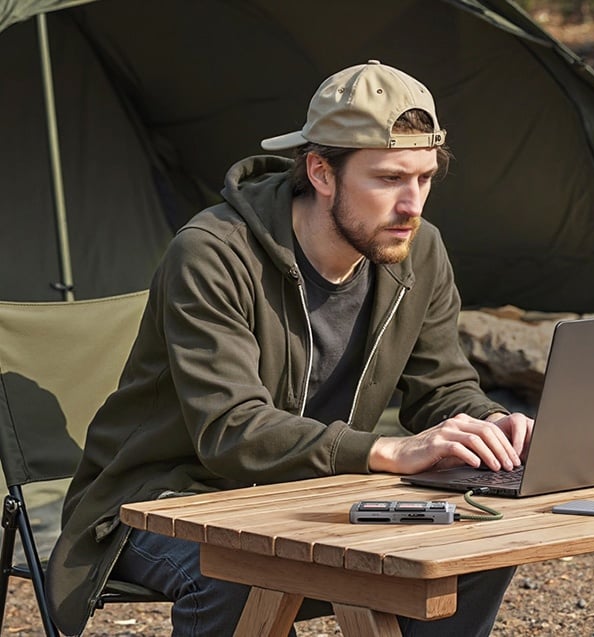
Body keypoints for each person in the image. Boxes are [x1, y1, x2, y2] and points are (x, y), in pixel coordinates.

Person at [45, 60, 534, 637]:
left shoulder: (418, 251)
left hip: (306, 494)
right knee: (242, 569)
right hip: (161, 499)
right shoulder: (212, 254)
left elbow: (443, 388)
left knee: (477, 543)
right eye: (388, 179)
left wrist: (491, 427)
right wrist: (388, 453)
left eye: (425, 178)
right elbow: (230, 428)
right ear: (320, 172)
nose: (413, 204)